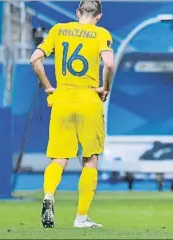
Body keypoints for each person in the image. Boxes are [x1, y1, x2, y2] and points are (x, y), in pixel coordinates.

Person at [29, 0, 115, 228]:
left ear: (78, 12)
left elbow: (34, 59)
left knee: (59, 158)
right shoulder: (100, 33)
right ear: (98, 16)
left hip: (63, 100)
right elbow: (109, 64)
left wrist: (48, 86)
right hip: (89, 101)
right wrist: (105, 88)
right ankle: (81, 218)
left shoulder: (58, 30)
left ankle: (48, 195)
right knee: (90, 159)